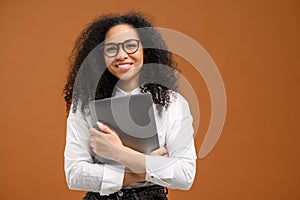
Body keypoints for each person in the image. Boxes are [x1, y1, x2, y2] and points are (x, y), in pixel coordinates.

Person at [63, 12, 197, 200]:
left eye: (131, 46)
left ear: (145, 49)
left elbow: (184, 175)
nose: (122, 55)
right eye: (111, 49)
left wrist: (118, 152)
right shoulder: (84, 105)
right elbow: (74, 174)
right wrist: (150, 167)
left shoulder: (173, 104)